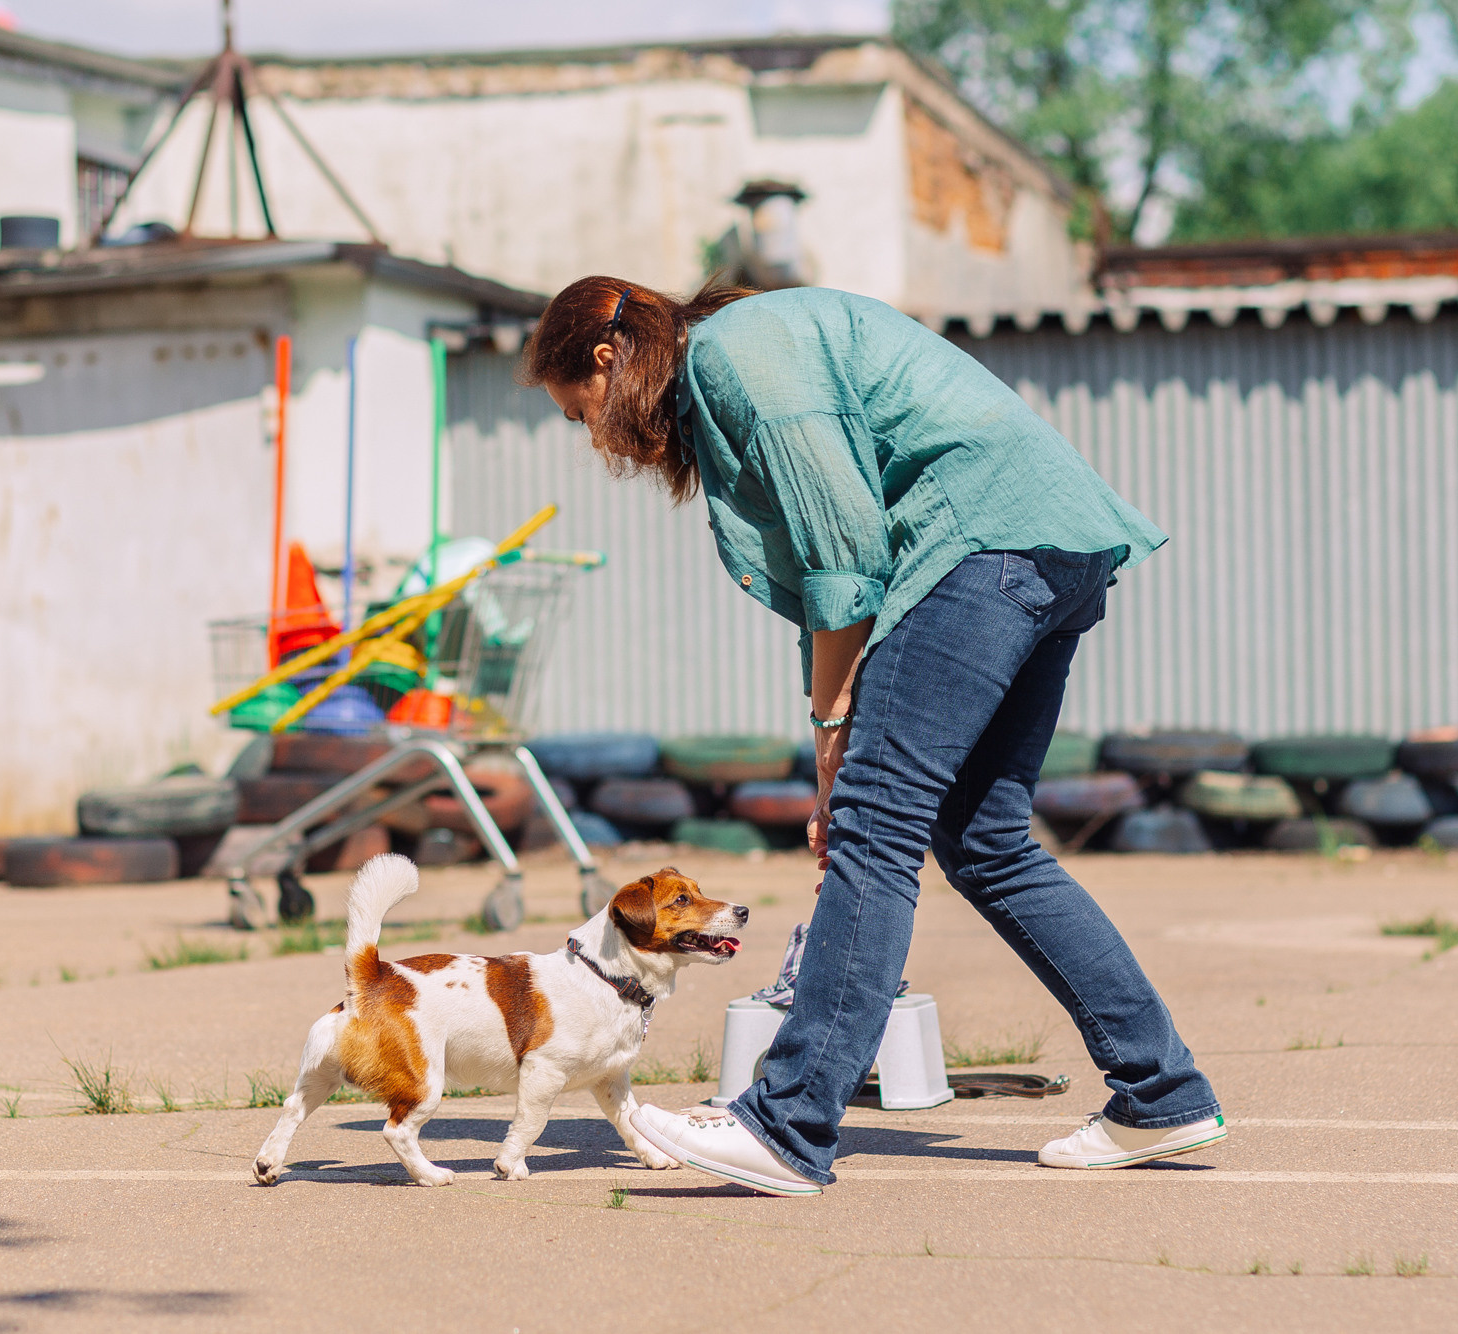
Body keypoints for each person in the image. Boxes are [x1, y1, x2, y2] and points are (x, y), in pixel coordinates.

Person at [523, 277, 1227, 1197]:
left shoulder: (735, 352)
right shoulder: (744, 353)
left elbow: (844, 550)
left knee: (875, 828)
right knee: (985, 842)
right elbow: (835, 592)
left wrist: (832, 744)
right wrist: (836, 742)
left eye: (579, 411)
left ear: (608, 361)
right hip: (1046, 542)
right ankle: (1162, 1093)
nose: (591, 435)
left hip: (982, 546)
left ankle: (788, 1123)